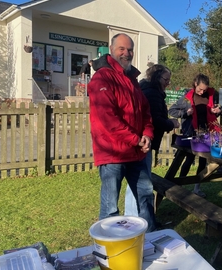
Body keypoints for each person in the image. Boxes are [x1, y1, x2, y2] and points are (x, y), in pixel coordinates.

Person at [88, 33, 157, 232]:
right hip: (112, 154)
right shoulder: (102, 77)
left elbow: (145, 112)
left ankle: (149, 241)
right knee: (110, 209)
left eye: (130, 50)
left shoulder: (132, 80)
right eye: (122, 49)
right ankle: (110, 251)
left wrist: (147, 135)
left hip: (136, 152)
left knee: (145, 199)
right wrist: (136, 139)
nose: (126, 53)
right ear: (111, 49)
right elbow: (107, 119)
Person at [124, 64, 180, 216]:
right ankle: (136, 219)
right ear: (156, 77)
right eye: (166, 79)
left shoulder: (148, 89)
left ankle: (135, 217)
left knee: (136, 181)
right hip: (144, 142)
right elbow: (154, 120)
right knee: (140, 182)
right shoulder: (153, 93)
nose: (168, 83)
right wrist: (171, 123)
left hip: (141, 140)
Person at [169, 73, 221, 198]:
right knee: (188, 160)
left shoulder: (213, 95)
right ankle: (180, 185)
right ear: (195, 84)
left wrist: (218, 111)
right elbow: (171, 110)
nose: (202, 92)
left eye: (205, 89)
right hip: (191, 133)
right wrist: (186, 113)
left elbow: (216, 111)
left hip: (207, 133)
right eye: (200, 89)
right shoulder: (187, 97)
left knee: (203, 161)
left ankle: (197, 188)